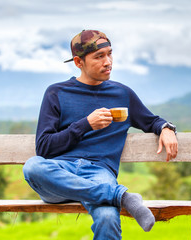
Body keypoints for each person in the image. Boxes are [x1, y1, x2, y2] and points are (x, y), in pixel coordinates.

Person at [23, 29, 178, 240]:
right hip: (61, 174)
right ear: (79, 62)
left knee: (107, 217)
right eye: (99, 56)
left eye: (110, 54)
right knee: (33, 167)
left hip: (99, 172)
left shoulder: (122, 93)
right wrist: (86, 124)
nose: (108, 62)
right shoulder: (56, 93)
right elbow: (44, 148)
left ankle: (115, 195)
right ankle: (120, 196)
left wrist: (166, 128)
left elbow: (151, 121)